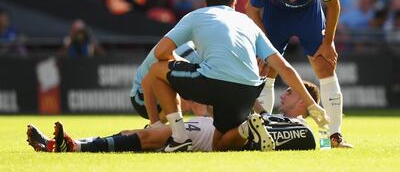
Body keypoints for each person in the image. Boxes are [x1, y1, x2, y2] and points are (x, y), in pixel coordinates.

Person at [143, 0, 328, 152]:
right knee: (219, 145)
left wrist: (191, 67)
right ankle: (244, 130)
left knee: (157, 69)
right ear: (233, 4)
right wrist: (312, 105)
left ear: (206, 3)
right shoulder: (247, 22)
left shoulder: (196, 16)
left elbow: (160, 53)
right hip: (248, 91)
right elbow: (284, 68)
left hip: (214, 83)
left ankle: (179, 137)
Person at [26, 81, 320, 153]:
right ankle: (67, 144)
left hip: (216, 134)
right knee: (134, 134)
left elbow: (306, 140)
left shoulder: (302, 128)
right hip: (218, 126)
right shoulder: (270, 116)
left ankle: (74, 146)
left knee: (146, 137)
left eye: (291, 94)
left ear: (306, 104)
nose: (284, 95)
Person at [245, 0, 352, 148]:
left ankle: (334, 137)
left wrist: (328, 42)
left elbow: (334, 5)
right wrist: (264, 46)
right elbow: (251, 10)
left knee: (325, 65)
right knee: (267, 69)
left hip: (308, 17)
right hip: (276, 18)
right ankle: (262, 135)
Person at [130, 41, 208, 127]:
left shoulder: (203, 52)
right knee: (192, 99)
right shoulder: (186, 52)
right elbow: (147, 81)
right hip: (141, 98)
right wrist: (155, 123)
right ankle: (153, 129)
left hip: (156, 91)